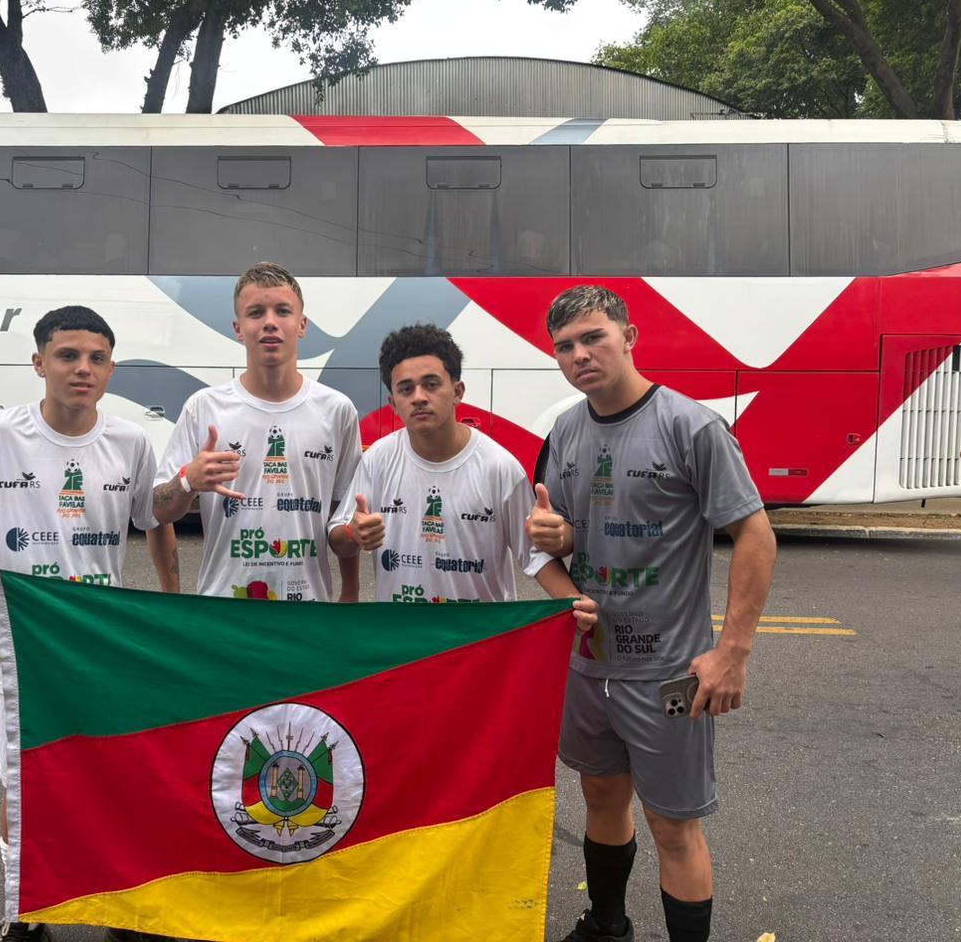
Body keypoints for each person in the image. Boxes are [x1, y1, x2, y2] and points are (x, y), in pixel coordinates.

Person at [0, 305, 179, 942]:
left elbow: (153, 514)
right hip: (19, 650)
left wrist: (186, 486)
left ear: (110, 369)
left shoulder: (132, 442)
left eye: (97, 358)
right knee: (24, 787)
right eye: (68, 356)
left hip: (101, 649)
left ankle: (118, 907)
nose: (83, 369)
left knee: (114, 779)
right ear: (39, 363)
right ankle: (22, 911)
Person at [528, 285, 776, 942]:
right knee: (602, 798)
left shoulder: (690, 427)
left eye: (593, 337)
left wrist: (733, 652)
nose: (580, 354)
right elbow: (578, 534)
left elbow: (755, 534)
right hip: (589, 666)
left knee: (673, 824)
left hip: (669, 674)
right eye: (565, 347)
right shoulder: (566, 432)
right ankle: (607, 925)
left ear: (629, 337)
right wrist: (561, 540)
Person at [326, 323, 596, 621]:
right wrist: (354, 532)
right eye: (406, 389)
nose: (418, 397)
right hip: (401, 644)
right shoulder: (378, 459)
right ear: (393, 403)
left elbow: (535, 555)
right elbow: (338, 538)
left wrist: (573, 603)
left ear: (457, 392)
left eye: (431, 384)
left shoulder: (499, 467)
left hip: (476, 647)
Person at [152, 261, 361, 603]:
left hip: (310, 608)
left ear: (302, 325)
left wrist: (350, 592)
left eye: (282, 311)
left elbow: (345, 514)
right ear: (238, 328)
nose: (269, 323)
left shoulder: (337, 410)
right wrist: (188, 479)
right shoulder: (203, 407)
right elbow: (158, 512)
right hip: (225, 610)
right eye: (255, 313)